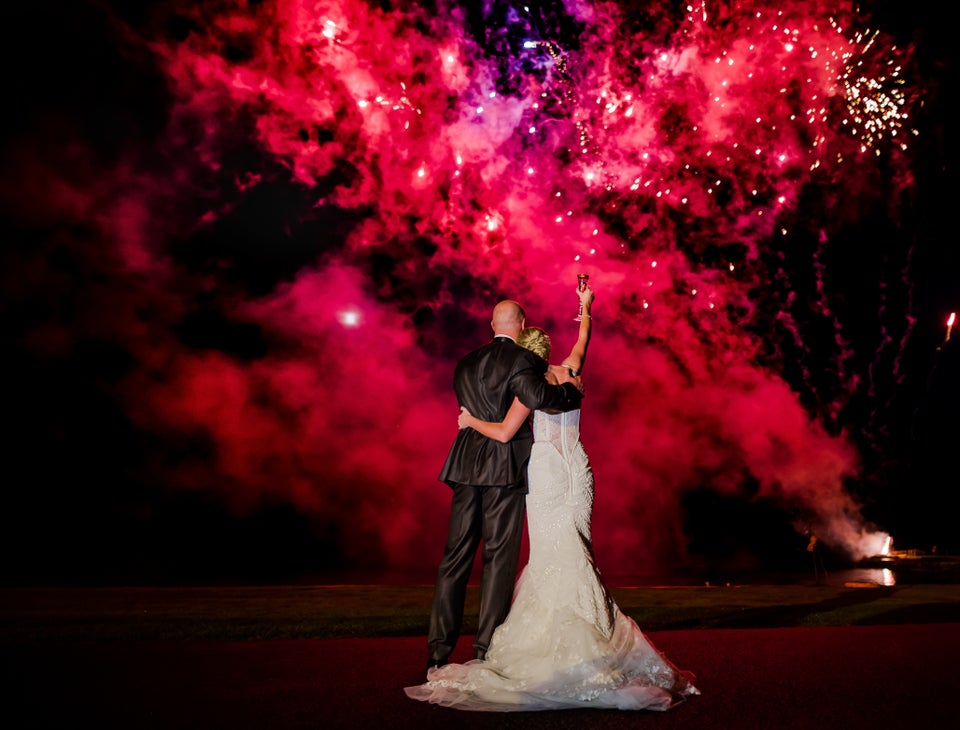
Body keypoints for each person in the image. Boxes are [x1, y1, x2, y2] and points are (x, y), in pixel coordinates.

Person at [406, 284, 700, 711]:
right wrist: (585, 309)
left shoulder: (513, 377)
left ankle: (449, 649)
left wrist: (469, 420)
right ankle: (563, 632)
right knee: (567, 549)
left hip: (522, 470)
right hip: (574, 470)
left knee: (507, 555)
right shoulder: (568, 374)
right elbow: (582, 343)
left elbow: (505, 428)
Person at [425, 298, 585, 675]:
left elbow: (469, 410)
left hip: (465, 463)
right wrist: (572, 391)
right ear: (522, 324)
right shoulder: (522, 360)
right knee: (498, 559)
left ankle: (437, 650)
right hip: (502, 466)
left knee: (454, 558)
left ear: (491, 324)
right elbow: (539, 397)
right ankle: (485, 650)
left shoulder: (464, 363)